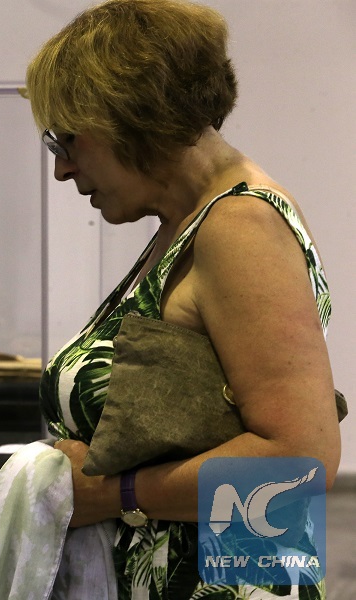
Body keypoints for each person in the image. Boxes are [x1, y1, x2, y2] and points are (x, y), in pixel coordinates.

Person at [25, 0, 341, 597]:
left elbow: (300, 460)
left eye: (67, 140)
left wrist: (114, 494)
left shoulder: (239, 227)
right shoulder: (189, 221)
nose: (63, 169)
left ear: (129, 116)